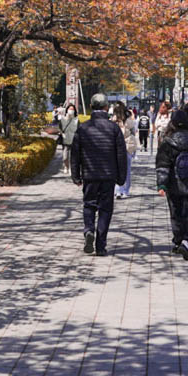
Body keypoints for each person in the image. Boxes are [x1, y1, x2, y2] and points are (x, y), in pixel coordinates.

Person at [69, 94, 127, 257]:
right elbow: (121, 155)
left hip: (89, 174)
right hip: (108, 176)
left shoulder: (83, 128)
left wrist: (76, 175)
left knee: (89, 204)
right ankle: (101, 245)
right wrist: (121, 177)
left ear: (90, 106)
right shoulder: (114, 128)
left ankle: (88, 230)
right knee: (105, 210)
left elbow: (75, 154)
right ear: (106, 107)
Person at [155, 108, 188, 261]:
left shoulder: (167, 141)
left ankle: (178, 241)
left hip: (173, 184)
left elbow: (162, 164)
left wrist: (162, 185)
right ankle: (186, 240)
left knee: (175, 213)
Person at [114, 102, 138, 199]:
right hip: (117, 146)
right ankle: (118, 190)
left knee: (126, 169)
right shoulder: (114, 120)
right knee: (118, 169)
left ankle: (125, 190)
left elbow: (133, 133)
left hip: (127, 146)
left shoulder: (129, 121)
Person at [59, 103, 79, 175]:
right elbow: (59, 128)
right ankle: (66, 167)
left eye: (72, 109)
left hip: (74, 140)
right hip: (65, 140)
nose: (71, 110)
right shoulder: (63, 119)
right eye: (70, 109)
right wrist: (62, 133)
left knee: (72, 157)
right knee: (65, 157)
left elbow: (79, 130)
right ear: (67, 110)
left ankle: (71, 168)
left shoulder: (77, 119)